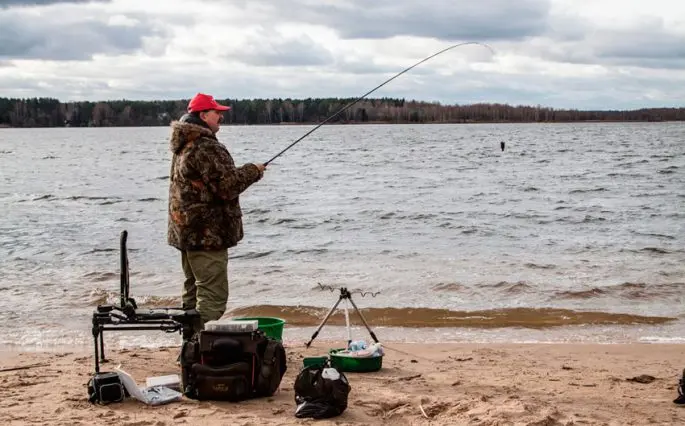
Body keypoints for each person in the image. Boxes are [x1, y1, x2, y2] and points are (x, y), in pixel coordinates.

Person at [167, 93, 266, 337]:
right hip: (205, 235)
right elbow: (227, 187)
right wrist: (253, 170)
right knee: (213, 296)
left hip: (187, 232)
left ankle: (190, 347)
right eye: (216, 112)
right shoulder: (204, 145)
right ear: (203, 115)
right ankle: (197, 349)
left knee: (193, 294)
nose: (220, 116)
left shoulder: (185, 144)